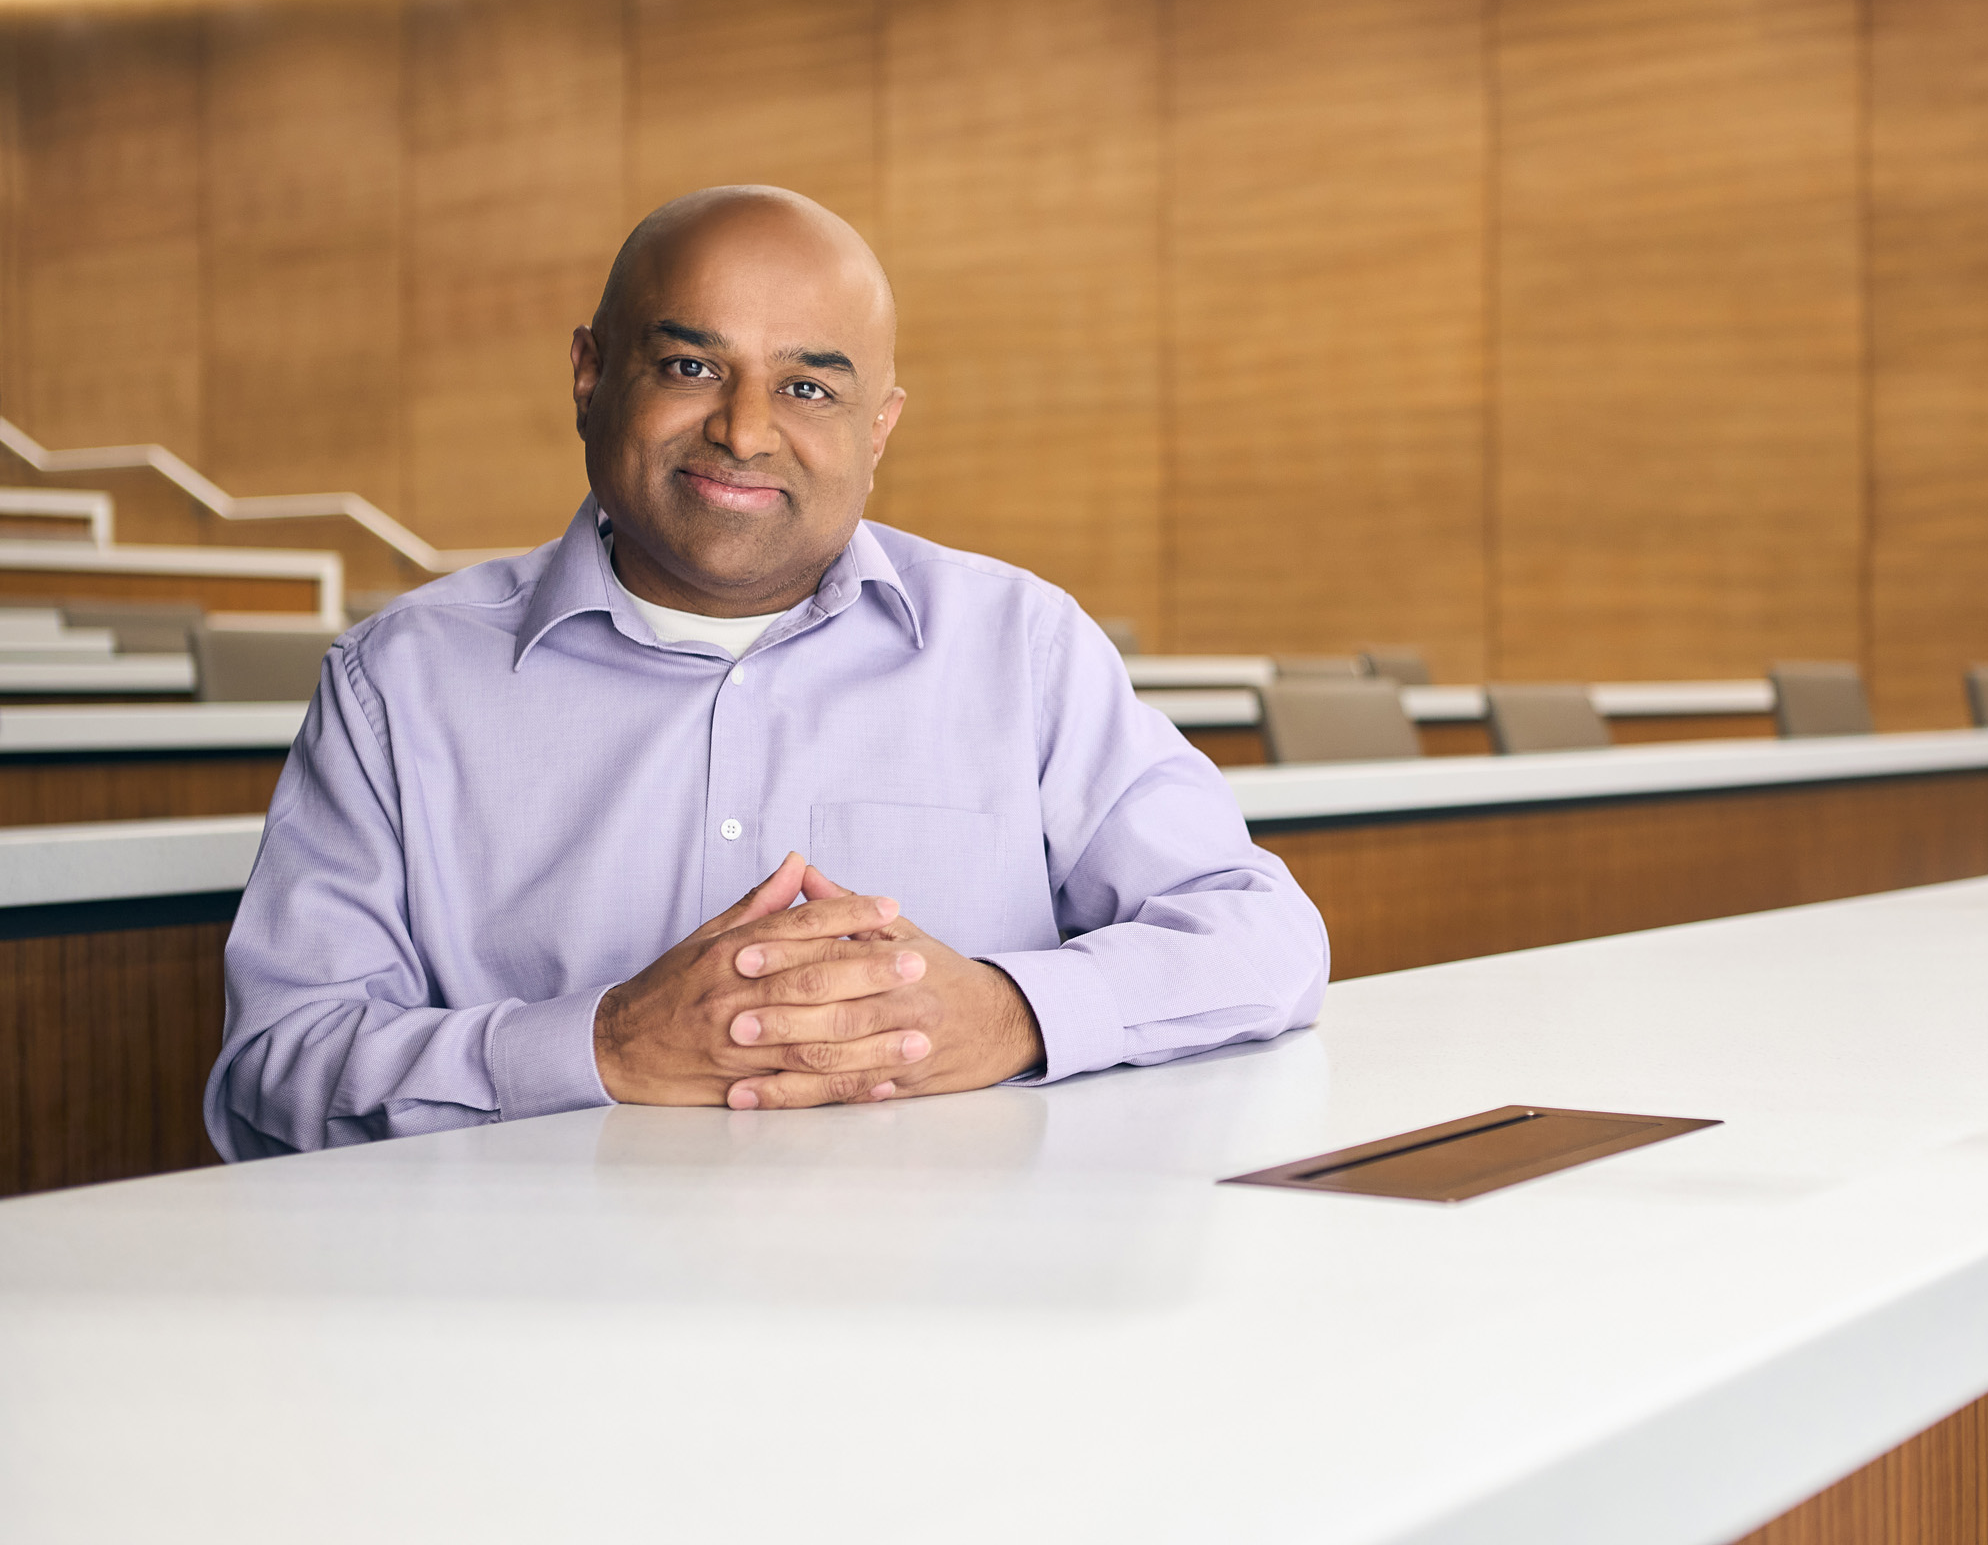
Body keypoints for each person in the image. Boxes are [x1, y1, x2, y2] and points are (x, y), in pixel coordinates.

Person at [205, 186, 1328, 1158]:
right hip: (544, 1320)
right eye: (691, 365)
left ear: (878, 428)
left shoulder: (1022, 647)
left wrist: (1007, 1010)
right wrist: (602, 1044)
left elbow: (1261, 936)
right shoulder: (394, 685)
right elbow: (278, 1068)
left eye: (808, 387)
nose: (744, 430)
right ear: (592, 375)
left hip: (953, 1310)